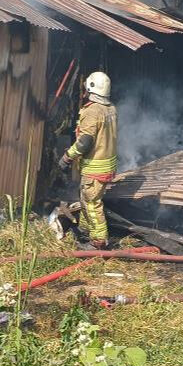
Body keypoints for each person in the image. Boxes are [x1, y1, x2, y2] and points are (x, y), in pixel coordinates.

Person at [59, 71, 118, 248]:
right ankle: (88, 231)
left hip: (95, 167)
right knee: (86, 199)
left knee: (92, 203)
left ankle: (99, 241)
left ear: (91, 88)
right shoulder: (110, 108)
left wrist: (67, 157)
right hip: (106, 163)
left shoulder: (92, 111)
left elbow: (85, 142)